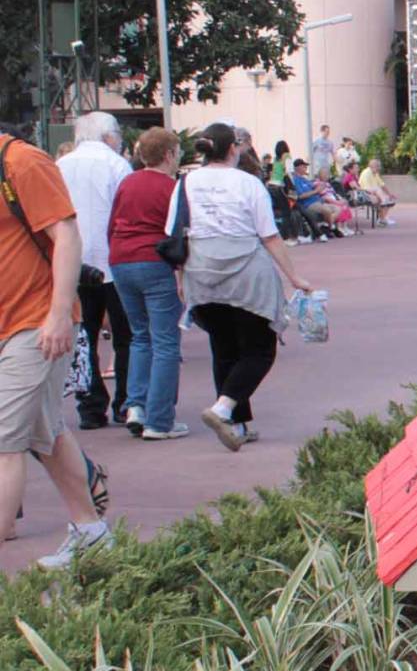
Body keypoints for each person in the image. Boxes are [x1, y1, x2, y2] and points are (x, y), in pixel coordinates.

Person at [0, 128, 116, 567]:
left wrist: (58, 313)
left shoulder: (22, 162)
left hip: (34, 323)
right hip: (10, 323)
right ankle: (91, 533)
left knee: (5, 443)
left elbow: (66, 235)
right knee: (44, 435)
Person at [179, 121, 311, 451]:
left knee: (223, 347)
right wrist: (294, 277)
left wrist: (180, 278)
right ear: (234, 149)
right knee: (259, 349)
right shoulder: (248, 183)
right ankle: (223, 409)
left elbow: (175, 232)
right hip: (245, 274)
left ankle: (236, 423)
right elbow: (269, 236)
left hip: (201, 272)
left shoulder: (185, 183)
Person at [55, 111, 135, 431]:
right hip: (113, 257)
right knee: (125, 335)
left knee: (84, 335)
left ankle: (90, 405)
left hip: (74, 260)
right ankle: (126, 402)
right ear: (108, 136)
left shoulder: (61, 165)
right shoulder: (117, 165)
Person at [107, 128, 188, 440]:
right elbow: (178, 232)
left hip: (122, 260)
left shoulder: (127, 182)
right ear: (168, 154)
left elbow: (112, 223)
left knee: (140, 336)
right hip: (155, 262)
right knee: (166, 341)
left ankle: (135, 405)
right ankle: (160, 419)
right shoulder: (173, 187)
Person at [355, 156, 398, 222]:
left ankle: (382, 218)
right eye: (378, 166)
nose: (379, 168)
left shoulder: (375, 173)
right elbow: (366, 188)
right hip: (364, 193)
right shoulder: (366, 173)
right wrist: (377, 195)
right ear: (372, 166)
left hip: (374, 192)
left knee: (388, 199)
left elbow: (382, 185)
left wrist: (390, 194)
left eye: (379, 166)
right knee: (381, 197)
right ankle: (382, 218)